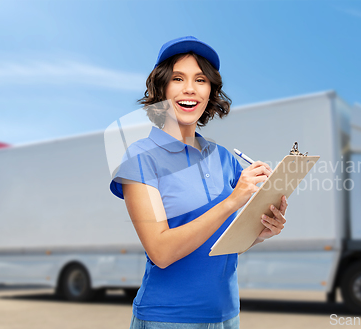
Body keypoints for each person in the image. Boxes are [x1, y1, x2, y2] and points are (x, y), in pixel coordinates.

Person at [109, 36, 288, 329]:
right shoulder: (141, 158)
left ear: (210, 92)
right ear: (162, 88)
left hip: (226, 316)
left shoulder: (223, 158)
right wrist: (233, 200)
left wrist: (264, 229)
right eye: (178, 78)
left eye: (201, 80)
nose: (190, 88)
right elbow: (161, 251)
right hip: (168, 319)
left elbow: (226, 243)